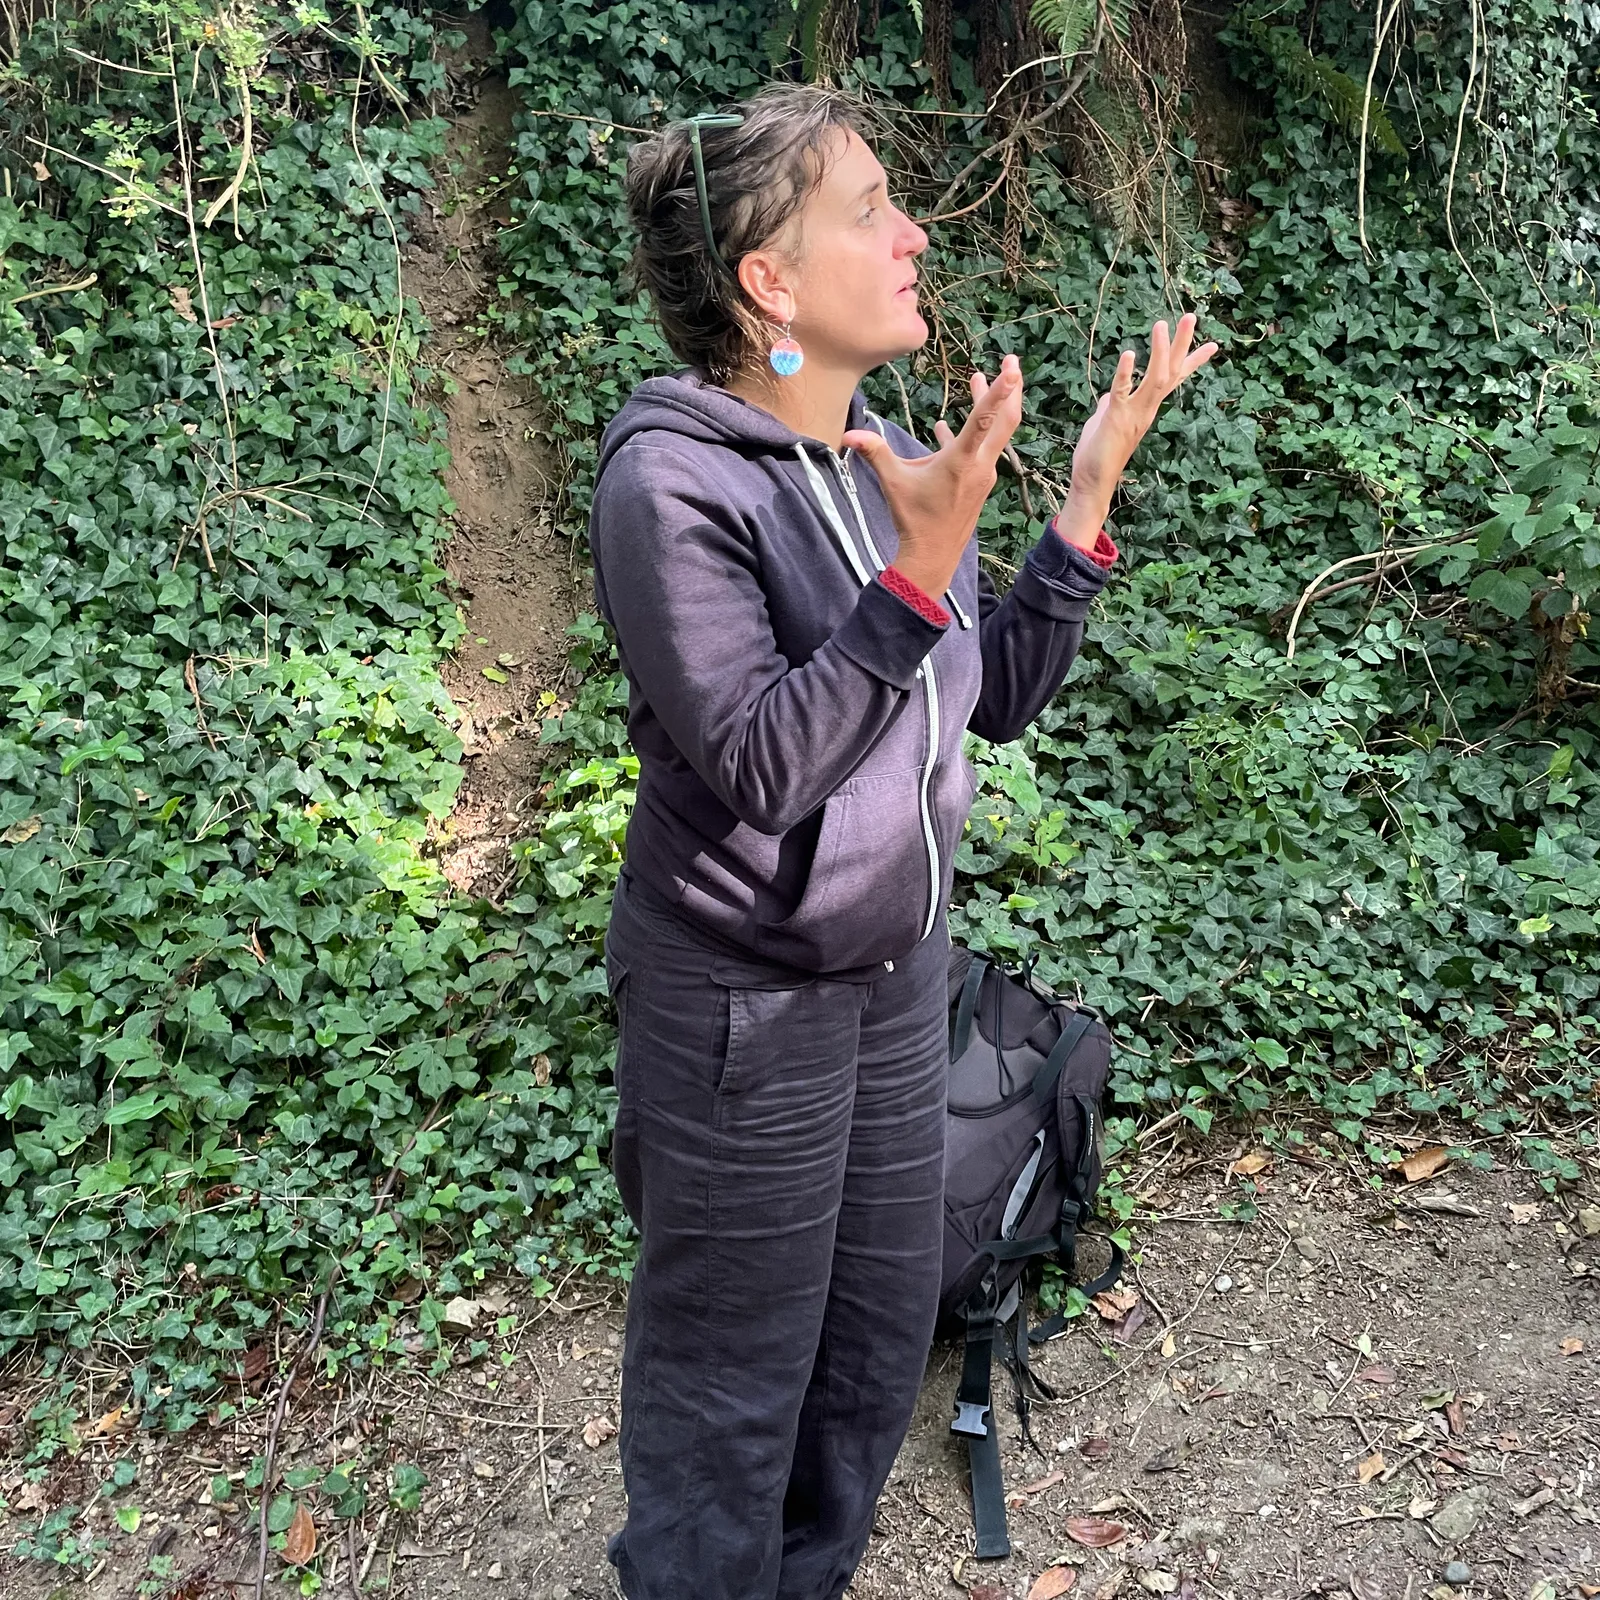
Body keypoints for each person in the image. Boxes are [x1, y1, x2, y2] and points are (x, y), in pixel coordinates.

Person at [586, 83, 1216, 1600]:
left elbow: (981, 701)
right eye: (870, 211)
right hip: (746, 1010)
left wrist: (1075, 508)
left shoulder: (882, 456)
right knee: (728, 1397)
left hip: (893, 986)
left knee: (866, 1360)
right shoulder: (668, 483)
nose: (914, 233)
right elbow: (761, 764)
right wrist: (921, 568)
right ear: (771, 282)